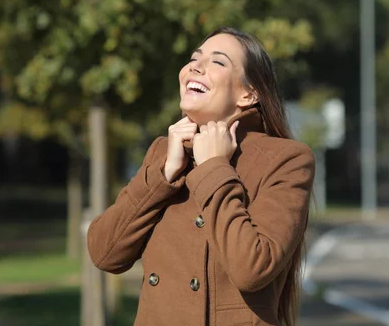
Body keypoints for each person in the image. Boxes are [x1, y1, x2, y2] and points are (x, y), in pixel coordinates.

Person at [87, 27, 315, 326]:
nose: (196, 66)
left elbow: (252, 269)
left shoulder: (286, 159)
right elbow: (105, 254)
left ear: (249, 93)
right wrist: (163, 175)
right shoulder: (163, 154)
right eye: (194, 59)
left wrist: (214, 167)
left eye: (218, 62)